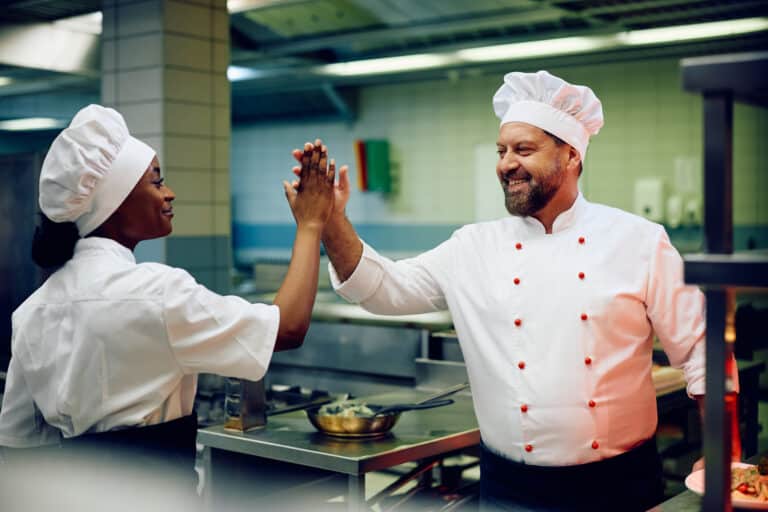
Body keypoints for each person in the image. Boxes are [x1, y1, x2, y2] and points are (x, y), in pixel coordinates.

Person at [292, 71, 741, 511]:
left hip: (618, 485)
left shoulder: (639, 241)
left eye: (524, 149)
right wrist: (330, 220)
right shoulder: (471, 246)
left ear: (571, 156)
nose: (507, 163)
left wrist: (724, 450)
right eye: (502, 150)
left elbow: (702, 353)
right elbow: (381, 289)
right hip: (508, 488)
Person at [0, 105, 335, 505]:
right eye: (156, 182)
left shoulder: (32, 312)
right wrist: (312, 223)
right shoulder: (157, 292)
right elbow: (288, 327)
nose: (169, 192)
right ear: (116, 201)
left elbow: (20, 442)